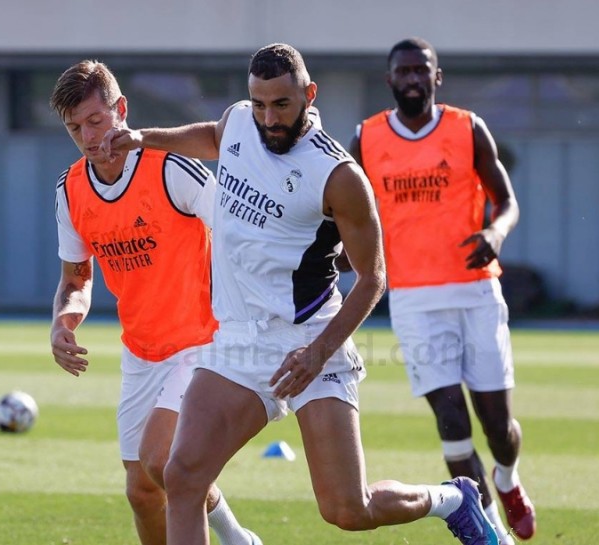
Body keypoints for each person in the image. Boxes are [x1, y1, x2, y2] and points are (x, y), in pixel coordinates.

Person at [103, 43, 500, 545]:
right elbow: (214, 137)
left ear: (309, 95)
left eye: (281, 105)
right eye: (260, 103)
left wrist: (317, 352)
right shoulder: (241, 121)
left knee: (347, 509)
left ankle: (455, 500)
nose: (268, 118)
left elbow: (373, 276)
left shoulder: (338, 175)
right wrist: (143, 138)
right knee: (182, 476)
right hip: (237, 344)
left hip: (311, 341)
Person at [47, 60, 260, 545]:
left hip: (204, 342)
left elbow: (237, 231)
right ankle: (240, 538)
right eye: (74, 127)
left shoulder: (170, 167)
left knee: (163, 459)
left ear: (121, 110)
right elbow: (76, 278)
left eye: (96, 120)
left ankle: (231, 536)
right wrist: (63, 321)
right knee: (143, 491)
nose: (87, 136)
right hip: (142, 352)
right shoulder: (70, 189)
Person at [348, 37, 533, 543]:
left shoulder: (466, 128)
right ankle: (489, 525)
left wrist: (496, 233)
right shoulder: (366, 138)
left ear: (437, 77)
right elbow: (347, 212)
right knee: (450, 415)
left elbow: (508, 202)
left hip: (476, 293)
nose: (412, 78)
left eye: (420, 70)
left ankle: (508, 480)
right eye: (402, 71)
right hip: (412, 298)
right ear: (390, 80)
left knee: (498, 426)